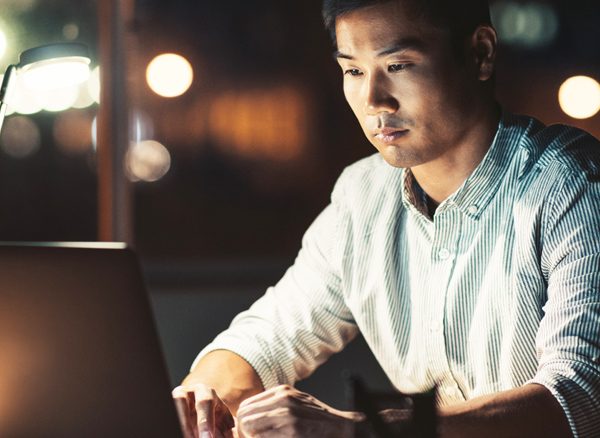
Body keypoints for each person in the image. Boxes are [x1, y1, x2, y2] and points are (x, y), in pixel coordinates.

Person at [173, 0, 600, 436]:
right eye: (354, 71)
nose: (374, 100)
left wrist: (361, 430)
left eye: (398, 65)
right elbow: (270, 336)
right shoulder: (363, 196)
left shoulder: (574, 185)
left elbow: (580, 396)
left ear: (481, 54)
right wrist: (205, 397)